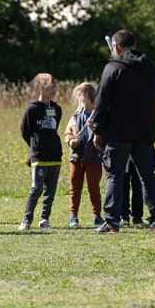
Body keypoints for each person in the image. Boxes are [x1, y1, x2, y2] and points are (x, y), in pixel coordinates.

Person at [90, 29, 155, 234]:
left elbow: (101, 101)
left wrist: (96, 128)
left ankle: (112, 222)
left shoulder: (113, 68)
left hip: (118, 131)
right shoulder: (151, 68)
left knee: (115, 175)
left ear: (115, 47)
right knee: (147, 175)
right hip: (145, 130)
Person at [19, 73, 62, 230]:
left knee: (50, 191)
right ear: (40, 89)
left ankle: (45, 219)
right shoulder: (32, 109)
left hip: (55, 156)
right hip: (39, 156)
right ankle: (26, 219)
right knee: (36, 188)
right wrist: (35, 145)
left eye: (54, 87)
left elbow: (54, 128)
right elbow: (25, 131)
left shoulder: (57, 109)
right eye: (50, 87)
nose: (54, 90)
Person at [63, 82, 103, 228]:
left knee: (94, 188)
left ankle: (97, 216)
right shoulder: (75, 116)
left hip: (94, 157)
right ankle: (73, 216)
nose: (79, 99)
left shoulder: (98, 115)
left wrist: (96, 129)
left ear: (89, 96)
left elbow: (104, 135)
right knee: (75, 188)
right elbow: (67, 133)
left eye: (81, 95)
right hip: (76, 157)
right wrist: (71, 141)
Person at [120, 159, 144, 226]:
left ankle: (137, 217)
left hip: (137, 158)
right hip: (124, 158)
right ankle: (124, 216)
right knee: (123, 188)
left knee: (138, 189)